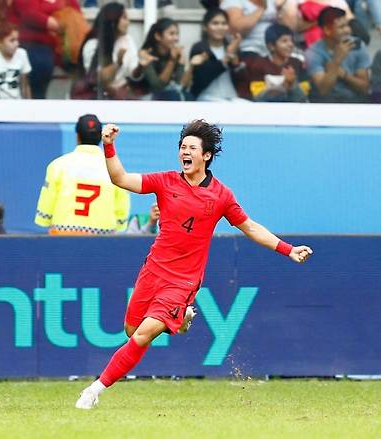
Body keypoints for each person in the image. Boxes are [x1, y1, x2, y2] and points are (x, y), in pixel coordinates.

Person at [75, 120, 313, 410]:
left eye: (191, 148)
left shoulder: (221, 195)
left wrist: (287, 249)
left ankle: (94, 389)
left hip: (183, 281)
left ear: (206, 155)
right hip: (153, 269)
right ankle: (181, 317)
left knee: (143, 335)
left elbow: (249, 227)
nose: (184, 152)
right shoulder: (164, 181)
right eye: (182, 147)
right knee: (131, 328)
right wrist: (109, 145)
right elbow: (120, 179)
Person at [35, 114, 129, 235]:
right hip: (102, 237)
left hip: (62, 235)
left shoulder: (58, 165)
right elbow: (122, 202)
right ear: (101, 137)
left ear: (77, 136)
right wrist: (121, 224)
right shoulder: (114, 167)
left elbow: (46, 204)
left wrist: (44, 219)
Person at [306, 6, 370, 103]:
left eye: (347, 25)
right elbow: (323, 90)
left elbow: (365, 88)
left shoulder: (357, 45)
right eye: (341, 27)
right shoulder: (313, 53)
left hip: (355, 102)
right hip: (326, 105)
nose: (348, 30)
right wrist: (337, 60)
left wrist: (345, 76)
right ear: (327, 30)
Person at [76, 2, 138, 100]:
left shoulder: (128, 40)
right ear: (113, 21)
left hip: (121, 92)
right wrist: (117, 63)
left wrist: (142, 66)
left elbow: (132, 73)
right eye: (124, 18)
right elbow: (95, 79)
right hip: (98, 95)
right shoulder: (93, 44)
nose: (128, 22)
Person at [184, 8, 248, 101]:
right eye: (215, 23)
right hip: (206, 96)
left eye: (224, 24)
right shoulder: (199, 48)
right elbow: (202, 78)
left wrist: (236, 64)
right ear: (205, 27)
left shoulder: (231, 47)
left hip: (231, 96)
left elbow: (243, 79)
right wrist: (225, 59)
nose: (220, 27)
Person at [246, 23, 309, 101]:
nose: (291, 44)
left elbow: (303, 96)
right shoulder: (259, 65)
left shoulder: (297, 63)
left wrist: (292, 84)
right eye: (284, 41)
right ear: (271, 46)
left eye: (291, 40)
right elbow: (258, 97)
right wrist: (283, 86)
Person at [130, 18, 189, 101]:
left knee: (188, 96)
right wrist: (171, 61)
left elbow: (179, 84)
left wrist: (181, 63)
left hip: (168, 96)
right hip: (146, 98)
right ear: (158, 36)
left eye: (177, 34)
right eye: (171, 34)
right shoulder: (146, 54)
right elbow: (157, 87)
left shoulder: (175, 53)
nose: (176, 38)